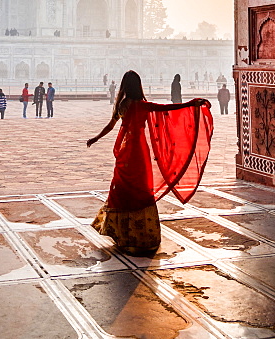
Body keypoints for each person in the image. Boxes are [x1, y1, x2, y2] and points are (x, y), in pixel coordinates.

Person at [87, 70, 213, 256]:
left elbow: (110, 126)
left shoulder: (123, 105)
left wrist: (96, 138)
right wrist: (192, 104)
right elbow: (168, 109)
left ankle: (121, 233)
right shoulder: (143, 105)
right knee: (142, 188)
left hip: (125, 150)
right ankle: (143, 235)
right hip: (139, 151)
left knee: (122, 187)